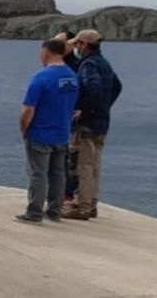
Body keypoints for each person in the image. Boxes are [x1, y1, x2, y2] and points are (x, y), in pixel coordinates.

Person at [15, 38, 79, 224]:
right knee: (58, 173)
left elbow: (28, 109)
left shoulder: (41, 77)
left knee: (38, 173)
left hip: (40, 133)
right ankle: (55, 210)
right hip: (62, 132)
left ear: (46, 52)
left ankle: (34, 212)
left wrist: (23, 128)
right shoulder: (72, 77)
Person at [62, 30, 122, 220]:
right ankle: (91, 203)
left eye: (78, 44)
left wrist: (83, 110)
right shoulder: (103, 63)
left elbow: (92, 87)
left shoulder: (88, 65)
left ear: (84, 45)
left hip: (86, 124)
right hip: (102, 122)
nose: (76, 48)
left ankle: (82, 206)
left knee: (83, 165)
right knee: (94, 164)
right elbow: (117, 86)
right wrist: (104, 106)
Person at [53, 31, 80, 201]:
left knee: (71, 157)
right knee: (59, 157)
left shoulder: (78, 66)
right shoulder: (57, 65)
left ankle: (68, 194)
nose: (56, 46)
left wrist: (82, 108)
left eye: (61, 43)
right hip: (57, 119)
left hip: (72, 119)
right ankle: (60, 192)